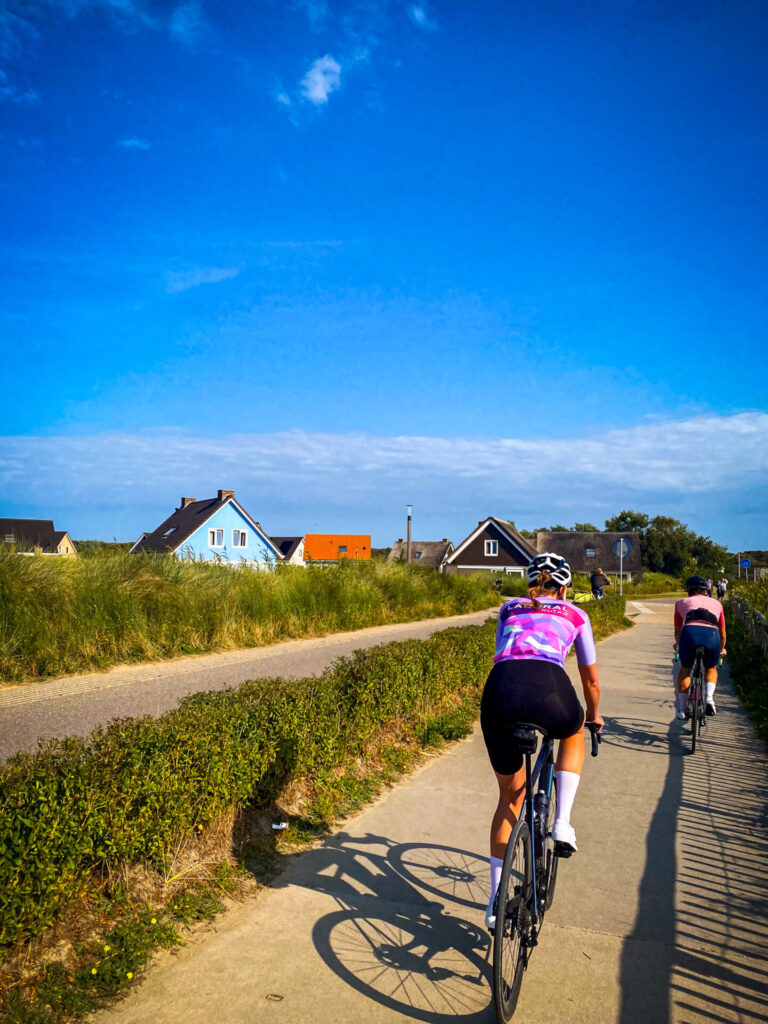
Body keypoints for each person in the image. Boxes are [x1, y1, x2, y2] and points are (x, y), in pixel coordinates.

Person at [481, 552, 604, 930]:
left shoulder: (508, 608)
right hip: (549, 688)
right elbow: (590, 681)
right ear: (565, 587)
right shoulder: (576, 615)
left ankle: (496, 902)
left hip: (500, 691)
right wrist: (594, 715)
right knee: (574, 728)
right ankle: (562, 823)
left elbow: (505, 653)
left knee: (509, 798)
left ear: (530, 582)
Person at [674, 575, 726, 719]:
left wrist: (679, 645)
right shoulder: (717, 604)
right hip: (712, 635)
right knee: (711, 667)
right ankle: (709, 698)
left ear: (687, 590)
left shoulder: (680, 603)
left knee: (685, 669)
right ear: (705, 590)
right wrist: (721, 649)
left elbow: (678, 631)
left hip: (689, 634)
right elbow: (722, 633)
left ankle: (683, 710)